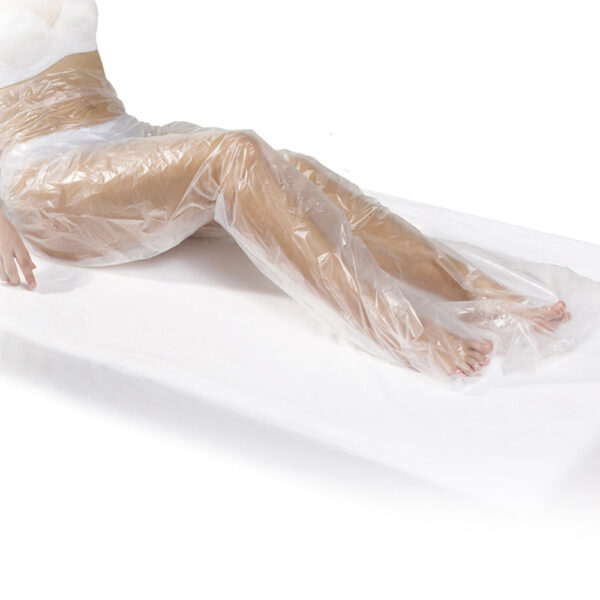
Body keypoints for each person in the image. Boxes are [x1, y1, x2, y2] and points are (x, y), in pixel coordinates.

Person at [0, 0, 574, 382]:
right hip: (45, 178)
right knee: (233, 154)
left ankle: (472, 286)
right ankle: (401, 328)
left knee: (293, 170)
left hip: (123, 137)